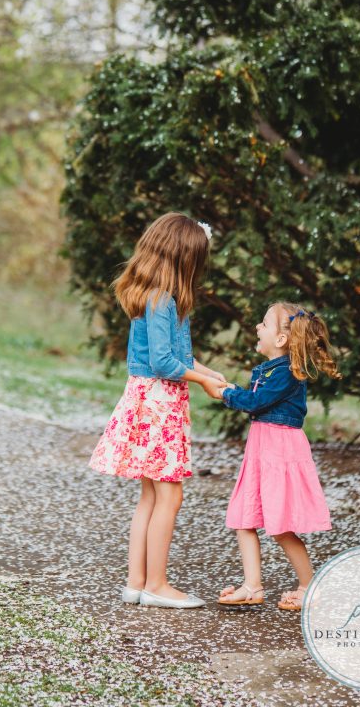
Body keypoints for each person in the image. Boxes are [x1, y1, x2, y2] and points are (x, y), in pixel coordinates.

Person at [88, 212, 229, 609]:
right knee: (169, 496)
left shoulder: (157, 298)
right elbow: (166, 365)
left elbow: (178, 356)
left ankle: (136, 582)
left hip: (148, 399)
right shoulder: (162, 301)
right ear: (183, 259)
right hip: (158, 406)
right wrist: (200, 381)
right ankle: (157, 585)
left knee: (150, 496)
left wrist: (207, 372)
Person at [208, 303, 341, 611]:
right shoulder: (271, 370)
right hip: (261, 452)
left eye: (264, 324)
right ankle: (252, 586)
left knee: (280, 526)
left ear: (281, 339)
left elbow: (257, 402)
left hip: (279, 453)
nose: (257, 327)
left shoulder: (287, 373)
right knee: (244, 518)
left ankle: (309, 586)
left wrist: (227, 393)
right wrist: (232, 390)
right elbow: (257, 400)